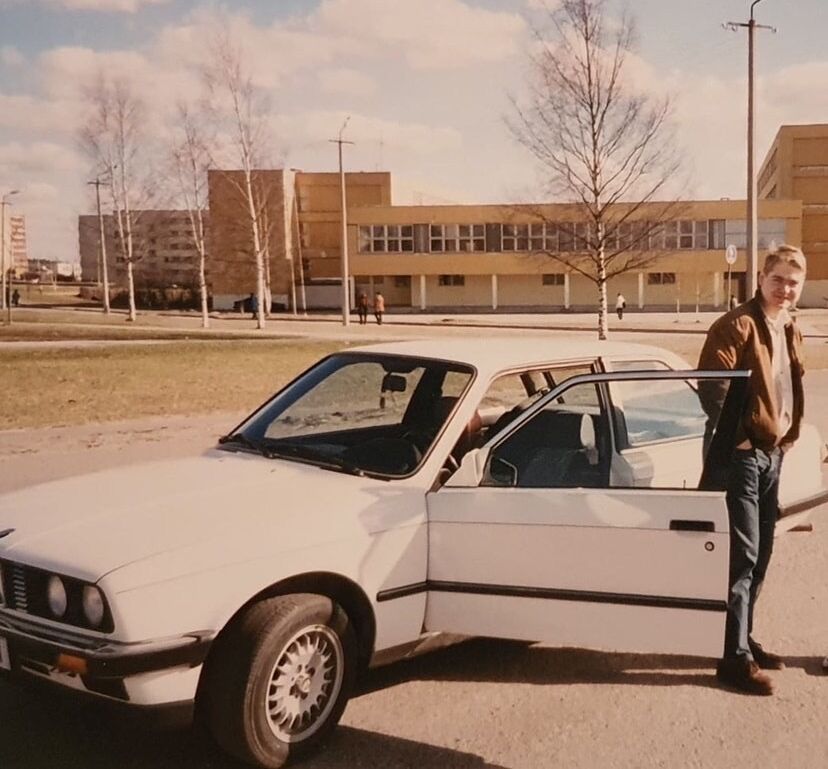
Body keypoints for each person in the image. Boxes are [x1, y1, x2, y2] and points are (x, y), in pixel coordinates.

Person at [698, 244, 806, 696]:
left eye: (793, 283)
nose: (785, 289)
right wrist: (742, 439)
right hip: (741, 456)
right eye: (777, 279)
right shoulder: (736, 324)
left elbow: (788, 385)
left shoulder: (789, 327)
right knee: (742, 556)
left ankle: (743, 637)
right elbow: (712, 387)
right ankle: (733, 659)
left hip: (772, 453)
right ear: (761, 278)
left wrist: (789, 434)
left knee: (762, 553)